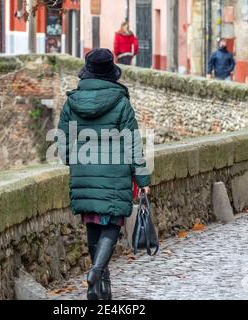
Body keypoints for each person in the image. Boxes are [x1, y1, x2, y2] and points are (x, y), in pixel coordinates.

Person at [57, 48, 151, 300]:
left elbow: (62, 138)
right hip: (114, 169)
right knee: (112, 221)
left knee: (92, 220)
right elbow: (133, 144)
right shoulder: (121, 102)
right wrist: (142, 179)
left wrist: (71, 158)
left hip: (83, 167)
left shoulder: (72, 101)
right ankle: (96, 271)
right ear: (111, 72)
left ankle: (99, 288)